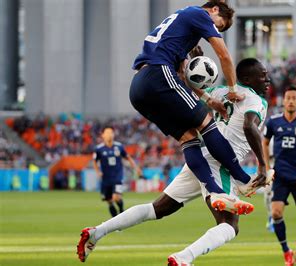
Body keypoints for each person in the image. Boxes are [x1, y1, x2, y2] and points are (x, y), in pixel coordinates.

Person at [77, 58, 273, 265]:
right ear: (246, 78)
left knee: (157, 208)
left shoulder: (220, 92)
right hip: (221, 162)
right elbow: (249, 126)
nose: (267, 79)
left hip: (199, 156)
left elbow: (197, 87)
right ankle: (184, 257)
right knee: (230, 225)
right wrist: (262, 163)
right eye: (262, 75)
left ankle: (96, 232)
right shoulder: (257, 101)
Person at [129, 1, 268, 207]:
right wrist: (232, 89)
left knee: (189, 137)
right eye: (219, 26)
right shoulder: (198, 14)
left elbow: (183, 79)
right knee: (207, 123)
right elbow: (224, 55)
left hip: (139, 88)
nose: (215, 30)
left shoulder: (179, 31)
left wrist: (209, 99)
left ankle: (215, 191)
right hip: (158, 73)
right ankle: (243, 180)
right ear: (214, 10)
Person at [262, 86, 296, 266]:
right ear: (283, 101)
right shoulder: (273, 122)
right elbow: (264, 143)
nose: (291, 101)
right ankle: (286, 251)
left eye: (295, 98)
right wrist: (267, 168)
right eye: (288, 98)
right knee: (276, 213)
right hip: (280, 176)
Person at [92, 127, 142, 217]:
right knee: (109, 201)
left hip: (117, 176)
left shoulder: (119, 146)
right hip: (106, 178)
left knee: (116, 197)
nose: (109, 134)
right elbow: (95, 161)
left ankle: (122, 210)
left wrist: (136, 168)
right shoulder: (99, 149)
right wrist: (98, 172)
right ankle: (115, 220)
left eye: (111, 132)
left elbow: (128, 157)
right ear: (103, 135)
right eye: (107, 133)